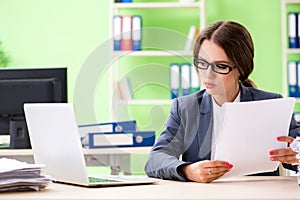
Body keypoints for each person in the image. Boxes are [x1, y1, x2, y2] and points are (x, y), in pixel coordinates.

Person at [144, 21, 300, 183]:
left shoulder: (271, 104)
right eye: (202, 63)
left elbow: (296, 150)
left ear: (241, 69)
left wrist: (296, 156)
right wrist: (188, 170)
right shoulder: (185, 108)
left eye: (220, 66)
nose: (208, 75)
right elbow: (156, 159)